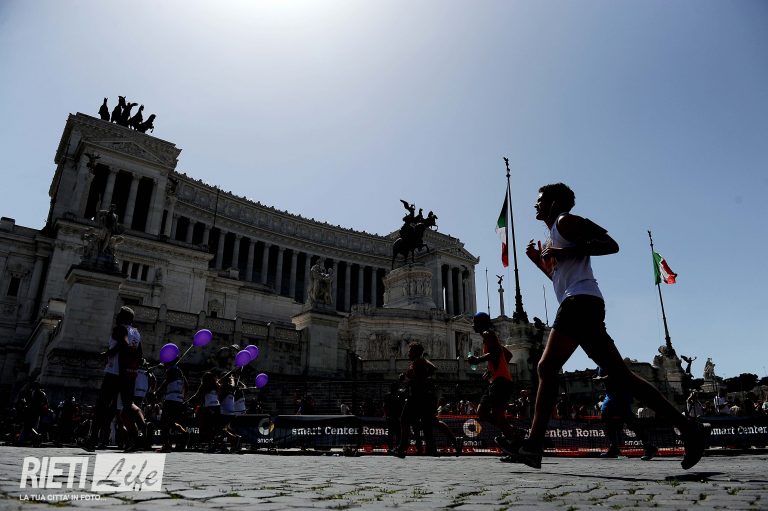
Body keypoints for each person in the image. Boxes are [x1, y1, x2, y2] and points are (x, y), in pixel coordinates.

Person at [516, 182, 708, 470]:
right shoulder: (555, 232)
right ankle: (689, 428)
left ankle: (533, 445)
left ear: (554, 203)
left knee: (546, 368)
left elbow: (610, 244)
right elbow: (561, 277)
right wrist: (539, 262)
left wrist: (568, 250)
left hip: (579, 302)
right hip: (581, 300)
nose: (536, 204)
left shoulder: (565, 221)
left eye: (540, 199)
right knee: (622, 377)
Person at [467, 312, 526, 457]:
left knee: (497, 414)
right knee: (482, 412)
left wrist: (477, 360)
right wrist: (492, 369)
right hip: (497, 380)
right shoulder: (490, 338)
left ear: (481, 323)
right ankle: (513, 433)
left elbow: (494, 353)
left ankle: (514, 442)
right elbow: (507, 355)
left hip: (501, 381)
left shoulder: (488, 334)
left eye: (475, 322)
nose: (473, 325)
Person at [394, 342, 461, 457]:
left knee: (405, 420)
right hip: (423, 396)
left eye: (410, 351)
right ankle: (443, 445)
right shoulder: (419, 361)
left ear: (415, 352)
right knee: (430, 422)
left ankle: (402, 448)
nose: (408, 353)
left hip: (417, 396)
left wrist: (411, 379)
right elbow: (431, 369)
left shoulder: (418, 362)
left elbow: (420, 377)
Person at [85, 306, 138, 451]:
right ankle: (134, 439)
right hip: (129, 375)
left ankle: (92, 439)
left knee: (101, 406)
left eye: (119, 314)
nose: (116, 316)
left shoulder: (120, 329)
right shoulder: (136, 333)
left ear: (124, 318)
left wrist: (108, 353)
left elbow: (123, 343)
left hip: (114, 373)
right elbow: (139, 354)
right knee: (127, 408)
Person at [594, 367, 657, 460]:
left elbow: (617, 373)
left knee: (630, 421)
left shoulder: (609, 361)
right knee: (606, 416)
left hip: (621, 393)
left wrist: (601, 379)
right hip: (610, 394)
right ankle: (614, 447)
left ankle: (649, 447)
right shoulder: (599, 366)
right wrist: (597, 378)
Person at [156, 356, 188, 452]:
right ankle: (185, 433)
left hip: (170, 399)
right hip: (178, 400)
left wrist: (158, 391)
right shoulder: (180, 372)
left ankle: (166, 445)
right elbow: (187, 385)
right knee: (171, 422)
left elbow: (167, 381)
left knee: (164, 422)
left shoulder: (171, 370)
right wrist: (183, 397)